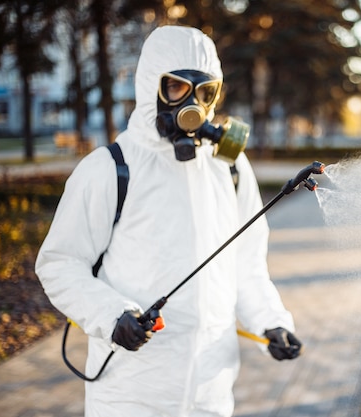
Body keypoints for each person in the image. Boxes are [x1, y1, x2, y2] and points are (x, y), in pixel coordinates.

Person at [35, 25, 302, 417]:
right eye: (176, 87)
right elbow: (60, 263)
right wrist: (111, 315)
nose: (191, 103)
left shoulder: (230, 167)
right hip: (132, 392)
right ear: (149, 88)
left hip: (211, 391)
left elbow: (246, 264)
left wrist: (271, 323)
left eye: (205, 91)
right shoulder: (110, 168)